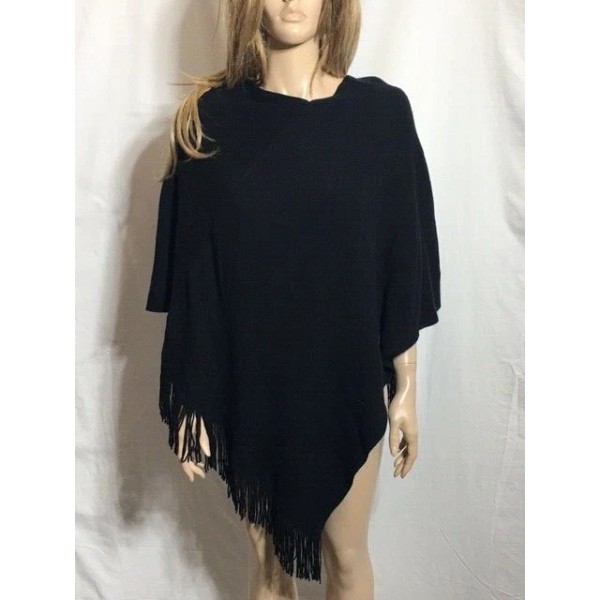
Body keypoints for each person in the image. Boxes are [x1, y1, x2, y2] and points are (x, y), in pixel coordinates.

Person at [145, 1, 441, 598]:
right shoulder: (208, 121)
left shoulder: (381, 115)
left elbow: (403, 256)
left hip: (344, 377)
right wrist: (193, 396)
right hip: (250, 382)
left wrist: (406, 383)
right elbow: (194, 277)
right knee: (267, 568)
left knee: (347, 557)